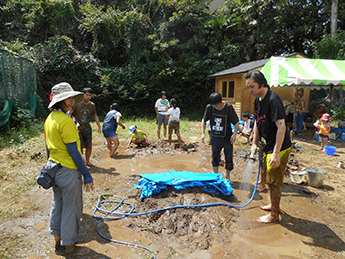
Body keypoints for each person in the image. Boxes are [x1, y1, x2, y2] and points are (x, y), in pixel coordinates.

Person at [44, 82, 94, 256]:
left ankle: (57, 241)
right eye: (68, 97)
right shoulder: (66, 121)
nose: (72, 100)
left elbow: (48, 148)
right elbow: (73, 152)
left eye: (72, 97)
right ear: (60, 100)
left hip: (54, 169)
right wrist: (86, 174)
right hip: (68, 171)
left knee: (57, 205)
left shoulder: (50, 119)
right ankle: (70, 247)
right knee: (72, 208)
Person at [245, 71, 292, 224]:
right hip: (268, 144)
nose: (249, 90)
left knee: (273, 182)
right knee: (268, 177)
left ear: (262, 84)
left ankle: (274, 215)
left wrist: (276, 153)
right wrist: (254, 141)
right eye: (248, 87)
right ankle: (273, 205)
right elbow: (258, 122)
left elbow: (281, 127)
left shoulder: (274, 101)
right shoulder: (258, 100)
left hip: (280, 147)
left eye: (251, 86)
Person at [201, 92, 239, 180]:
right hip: (215, 137)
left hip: (227, 138)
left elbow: (236, 122)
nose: (216, 108)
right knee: (215, 157)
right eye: (214, 106)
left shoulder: (228, 108)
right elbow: (204, 120)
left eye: (217, 105)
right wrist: (203, 134)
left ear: (221, 101)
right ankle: (216, 176)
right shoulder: (210, 107)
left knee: (228, 158)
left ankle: (228, 177)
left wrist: (234, 134)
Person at [72, 88, 101, 167]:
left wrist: (99, 126)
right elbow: (70, 113)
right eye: (87, 95)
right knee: (80, 147)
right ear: (83, 94)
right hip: (78, 128)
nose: (88, 97)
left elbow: (95, 115)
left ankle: (88, 161)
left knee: (89, 146)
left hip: (87, 127)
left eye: (90, 95)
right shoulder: (77, 104)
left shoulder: (92, 105)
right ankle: (82, 162)